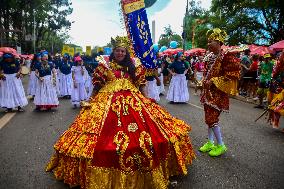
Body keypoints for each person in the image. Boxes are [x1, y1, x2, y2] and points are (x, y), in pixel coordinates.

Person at [46, 42, 195, 188]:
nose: (120, 54)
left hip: (133, 100)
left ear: (126, 53)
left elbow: (141, 83)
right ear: (113, 52)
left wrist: (146, 98)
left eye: (123, 51)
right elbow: (97, 85)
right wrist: (90, 99)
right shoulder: (104, 65)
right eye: (118, 51)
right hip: (106, 101)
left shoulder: (134, 65)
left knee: (153, 131)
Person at [199, 28, 241, 157]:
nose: (208, 44)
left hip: (218, 93)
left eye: (211, 41)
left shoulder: (226, 56)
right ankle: (211, 142)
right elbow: (207, 73)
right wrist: (203, 82)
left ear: (218, 42)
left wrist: (213, 81)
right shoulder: (210, 56)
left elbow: (234, 74)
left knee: (211, 118)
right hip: (208, 92)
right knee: (209, 118)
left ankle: (221, 145)